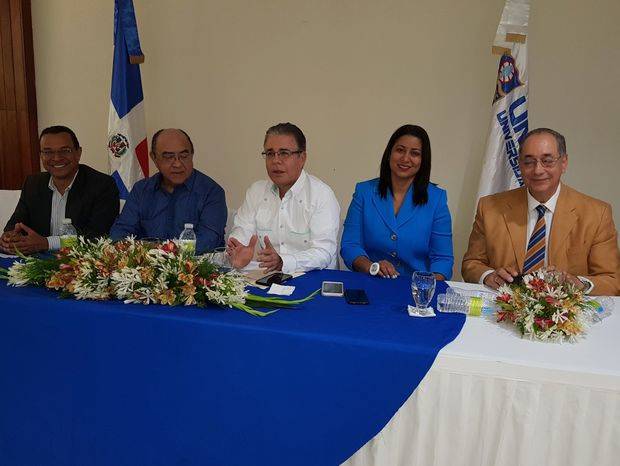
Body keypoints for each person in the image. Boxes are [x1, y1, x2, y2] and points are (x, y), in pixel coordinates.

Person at [462, 128, 619, 296]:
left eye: (547, 161)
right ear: (519, 164)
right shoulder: (490, 207)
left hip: (567, 315)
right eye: (529, 162)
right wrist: (488, 276)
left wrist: (579, 283)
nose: (537, 170)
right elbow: (472, 263)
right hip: (503, 308)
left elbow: (612, 280)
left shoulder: (596, 213)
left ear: (564, 162)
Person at [340, 124, 454, 279]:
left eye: (414, 153)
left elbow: (443, 259)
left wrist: (425, 288)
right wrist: (372, 267)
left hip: (415, 289)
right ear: (389, 153)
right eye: (400, 150)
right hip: (371, 282)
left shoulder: (436, 199)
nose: (405, 158)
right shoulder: (364, 192)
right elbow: (350, 245)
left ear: (423, 160)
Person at [227, 122, 340, 273]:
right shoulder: (256, 191)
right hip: (267, 279)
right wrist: (237, 252)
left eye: (284, 153)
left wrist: (283, 262)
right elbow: (242, 232)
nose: (276, 160)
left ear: (302, 158)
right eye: (270, 153)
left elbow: (323, 252)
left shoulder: (321, 195)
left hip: (312, 282)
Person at [1, 125, 120, 255]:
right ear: (41, 155)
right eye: (48, 152)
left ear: (78, 153)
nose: (57, 158)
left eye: (65, 150)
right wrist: (10, 237)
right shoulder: (33, 183)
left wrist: (47, 243)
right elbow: (15, 224)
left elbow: (97, 237)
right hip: (37, 262)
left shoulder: (102, 185)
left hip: (80, 262)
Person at [110, 128, 227, 254]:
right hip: (144, 268)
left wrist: (159, 251)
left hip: (194, 269)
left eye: (183, 156)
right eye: (169, 157)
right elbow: (119, 233)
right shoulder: (141, 190)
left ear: (192, 155)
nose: (177, 164)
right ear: (154, 158)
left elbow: (207, 242)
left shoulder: (211, 192)